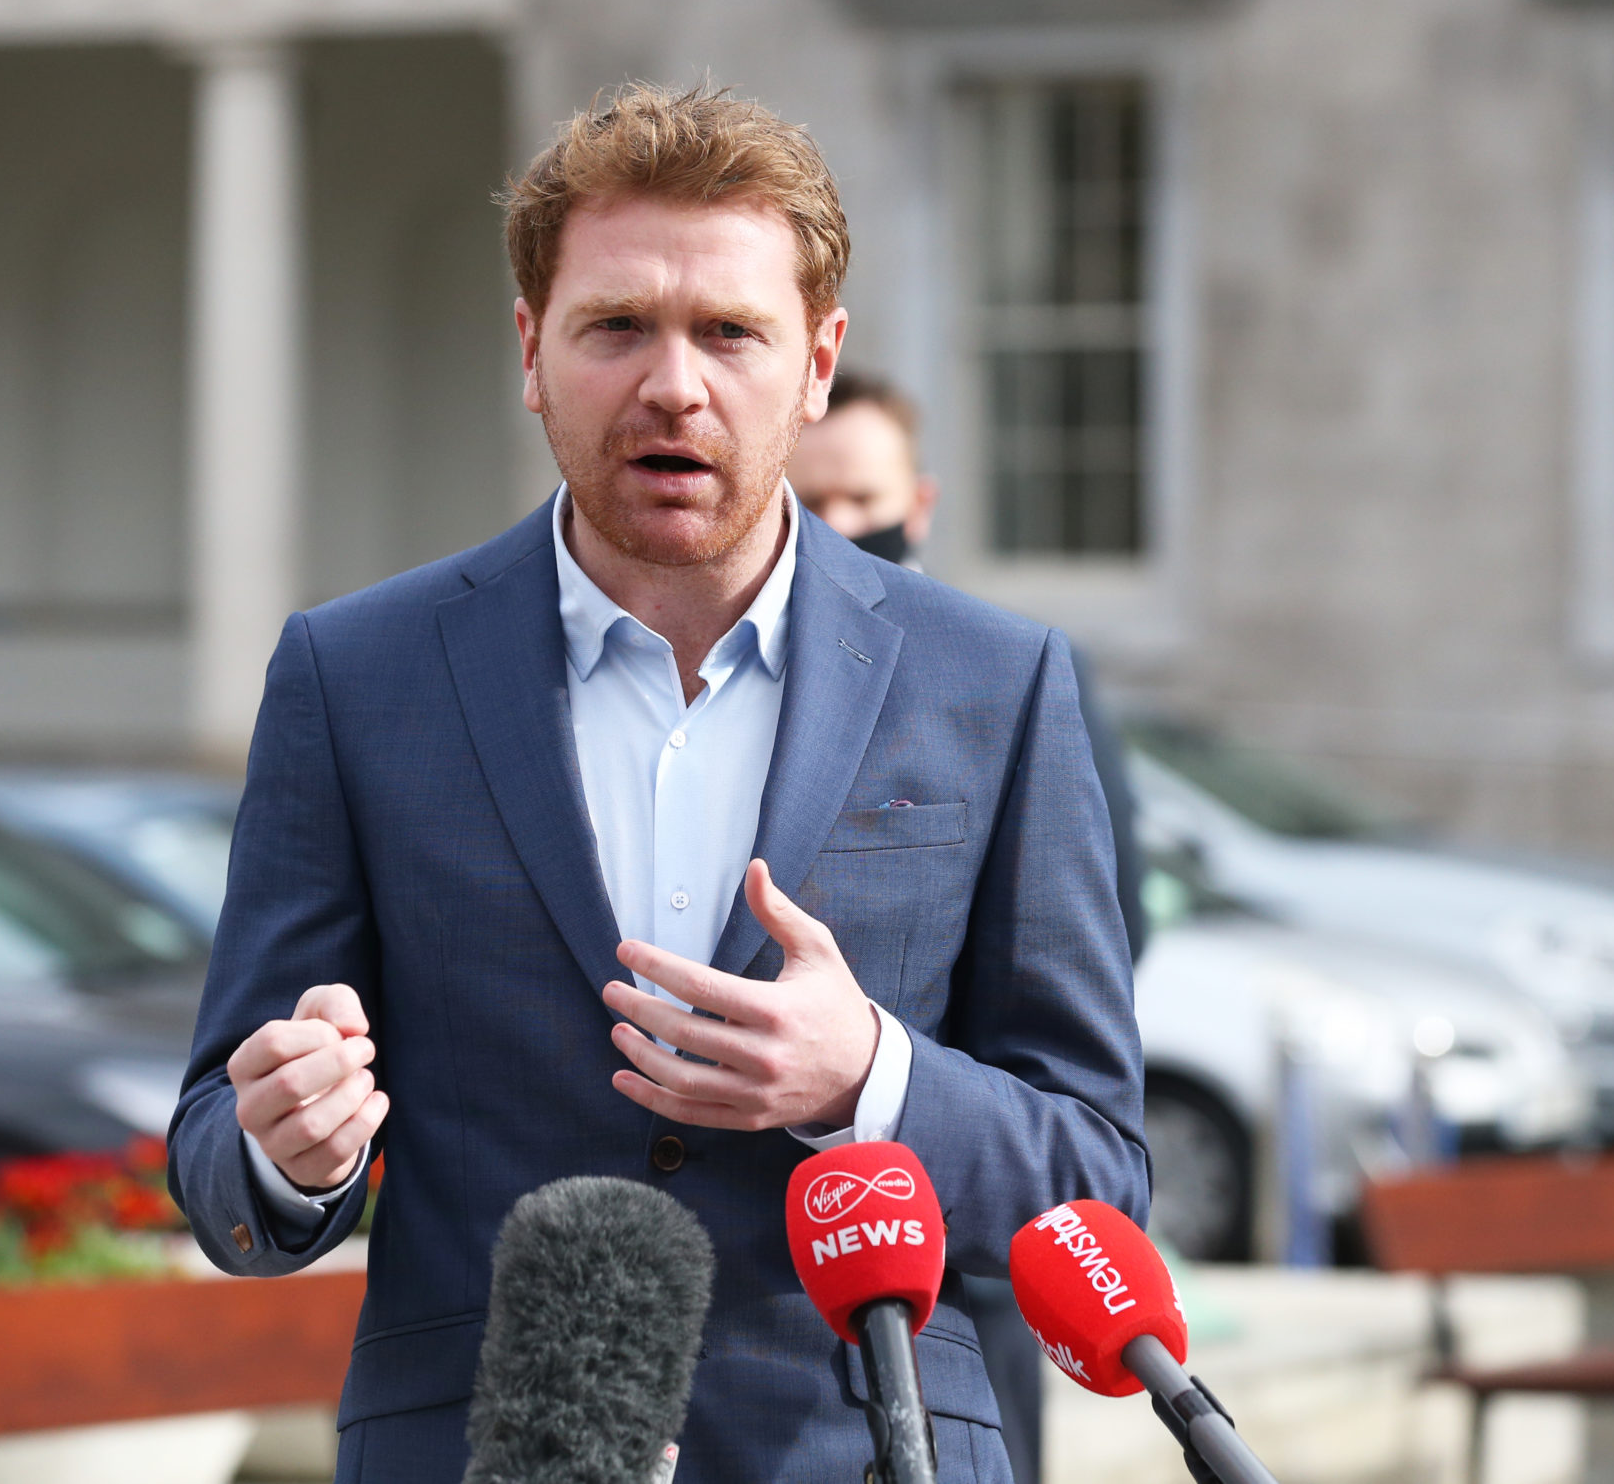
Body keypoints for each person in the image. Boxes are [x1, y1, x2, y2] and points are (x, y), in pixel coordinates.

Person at [168, 83, 1149, 1484]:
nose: (673, 384)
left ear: (817, 366)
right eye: (617, 325)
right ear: (531, 348)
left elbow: (1100, 1176)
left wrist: (868, 1074)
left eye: (730, 333)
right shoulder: (354, 673)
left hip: (869, 1451)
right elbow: (223, 1157)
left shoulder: (994, 682)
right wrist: (289, 1150)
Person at [789, 373, 1152, 1484]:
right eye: (814, 503)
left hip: (960, 1252)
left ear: (921, 503)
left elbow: (1091, 930)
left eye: (864, 500)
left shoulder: (1008, 668)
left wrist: (894, 1083)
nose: (841, 529)